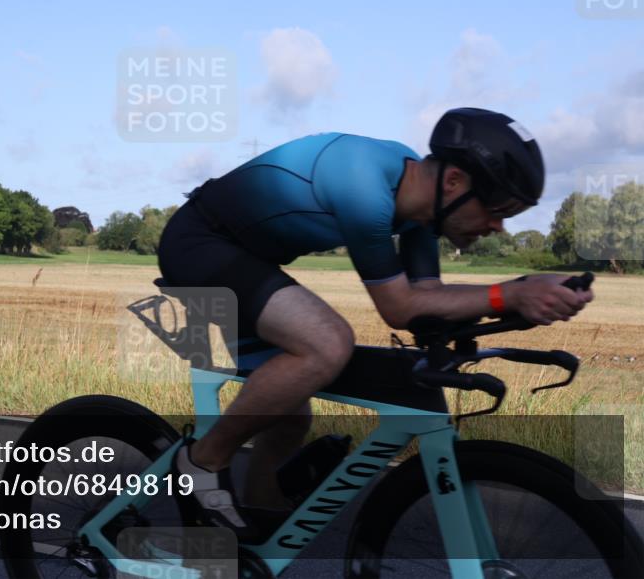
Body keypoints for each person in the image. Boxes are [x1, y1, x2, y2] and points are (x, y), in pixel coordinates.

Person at [156, 107, 595, 540]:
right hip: (200, 244)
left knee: (288, 416)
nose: (498, 227)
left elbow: (429, 300)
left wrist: (525, 290)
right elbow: (400, 308)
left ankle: (257, 527)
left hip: (245, 256)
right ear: (454, 182)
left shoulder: (420, 206)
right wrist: (511, 294)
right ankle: (202, 462)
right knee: (326, 344)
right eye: (497, 209)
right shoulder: (364, 188)